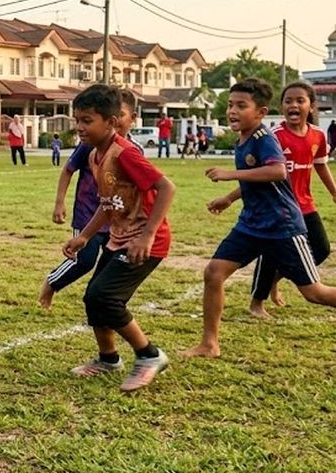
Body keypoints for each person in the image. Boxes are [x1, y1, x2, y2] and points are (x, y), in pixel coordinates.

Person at [182, 78, 336, 359]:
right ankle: (209, 344)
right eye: (230, 105)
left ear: (261, 112)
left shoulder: (265, 139)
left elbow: (277, 172)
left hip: (282, 225)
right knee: (214, 273)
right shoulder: (243, 139)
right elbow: (258, 180)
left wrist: (231, 174)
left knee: (315, 293)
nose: (233, 111)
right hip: (251, 224)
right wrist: (228, 199)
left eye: (242, 106)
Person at [62, 84, 175, 391]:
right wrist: (84, 236)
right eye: (77, 120)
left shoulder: (124, 154)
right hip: (119, 237)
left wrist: (147, 236)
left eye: (87, 121)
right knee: (92, 299)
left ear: (111, 122)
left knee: (106, 298)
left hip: (144, 242)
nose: (80, 128)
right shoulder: (96, 156)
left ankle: (149, 355)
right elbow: (108, 203)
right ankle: (108, 359)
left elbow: (166, 188)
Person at [38, 87, 142, 309]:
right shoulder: (90, 145)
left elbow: (148, 189)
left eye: (122, 116)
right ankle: (52, 282)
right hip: (87, 214)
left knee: (109, 265)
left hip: (114, 218)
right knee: (84, 260)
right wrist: (59, 203)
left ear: (131, 118)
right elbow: (68, 169)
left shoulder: (134, 151)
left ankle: (99, 307)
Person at [247, 82, 336, 317]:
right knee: (270, 253)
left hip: (304, 206)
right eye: (288, 101)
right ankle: (257, 302)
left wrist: (334, 192)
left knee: (321, 248)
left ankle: (277, 278)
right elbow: (258, 175)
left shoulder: (317, 136)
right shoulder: (274, 137)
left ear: (312, 107)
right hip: (277, 207)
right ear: (281, 106)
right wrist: (229, 197)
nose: (293, 105)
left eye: (300, 100)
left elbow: (321, 167)